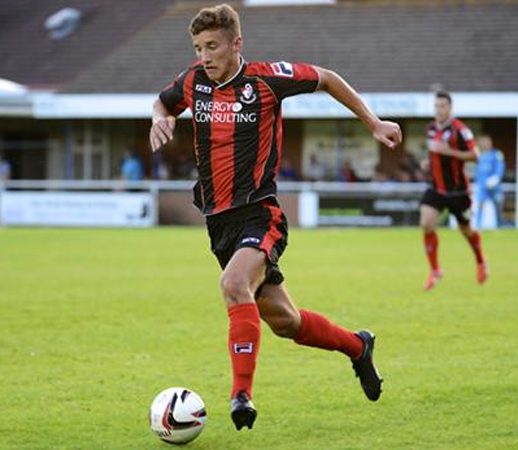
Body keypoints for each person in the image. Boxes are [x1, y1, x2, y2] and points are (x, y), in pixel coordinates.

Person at [149, 3, 402, 431]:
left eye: (212, 46)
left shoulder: (266, 80)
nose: (204, 56)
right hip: (218, 222)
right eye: (198, 48)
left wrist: (373, 122)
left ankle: (241, 395)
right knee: (286, 322)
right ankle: (358, 347)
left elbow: (327, 78)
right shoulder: (193, 82)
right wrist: (160, 119)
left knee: (233, 285)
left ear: (236, 44)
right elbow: (163, 101)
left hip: (259, 213)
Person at [420, 91, 487, 291]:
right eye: (436, 106)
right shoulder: (431, 128)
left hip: (458, 191)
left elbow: (475, 156)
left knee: (465, 230)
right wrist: (428, 163)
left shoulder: (461, 130)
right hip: (436, 188)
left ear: (450, 108)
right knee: (426, 223)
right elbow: (434, 153)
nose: (439, 110)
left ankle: (480, 260)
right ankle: (435, 270)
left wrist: (449, 151)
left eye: (442, 106)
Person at [474, 135, 505, 229]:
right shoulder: (478, 155)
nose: (485, 144)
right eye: (483, 142)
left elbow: (500, 167)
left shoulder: (497, 154)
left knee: (498, 204)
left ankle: (499, 225)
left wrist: (495, 178)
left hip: (494, 186)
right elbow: (477, 171)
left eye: (486, 142)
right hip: (482, 186)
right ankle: (478, 226)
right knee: (480, 204)